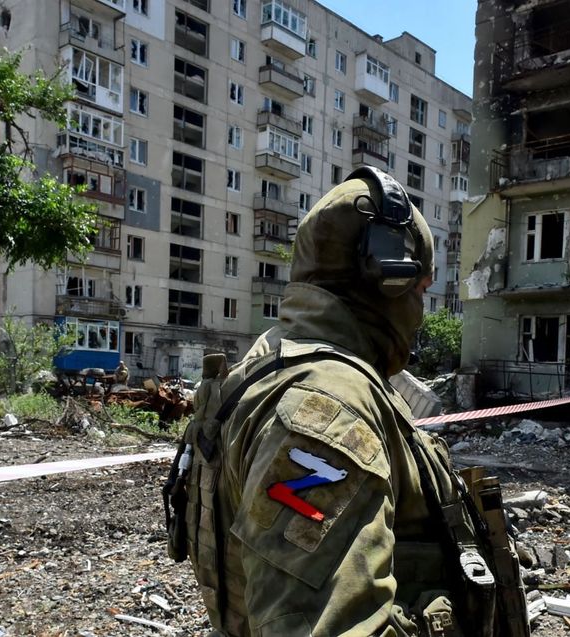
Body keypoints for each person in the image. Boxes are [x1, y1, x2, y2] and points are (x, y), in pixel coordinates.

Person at [165, 167, 527, 637]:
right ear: (387, 280)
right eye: (419, 289)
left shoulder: (275, 366)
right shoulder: (325, 409)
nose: (422, 311)